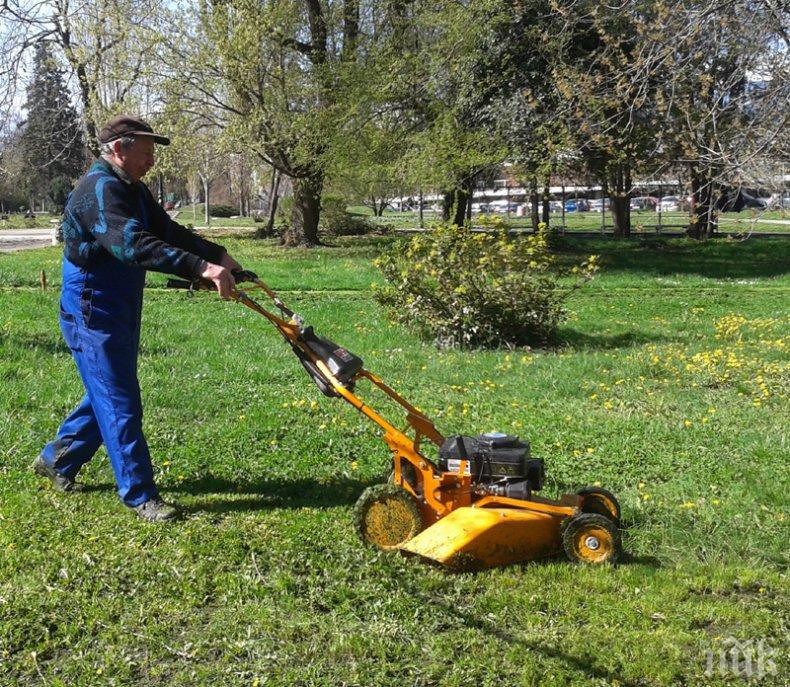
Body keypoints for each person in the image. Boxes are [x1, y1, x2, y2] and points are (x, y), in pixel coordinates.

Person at [32, 115, 242, 522]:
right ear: (120, 148)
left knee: (109, 390)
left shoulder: (132, 189)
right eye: (146, 150)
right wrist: (199, 269)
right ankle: (139, 493)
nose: (151, 159)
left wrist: (216, 255)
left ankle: (56, 459)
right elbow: (133, 245)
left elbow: (166, 230)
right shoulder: (97, 191)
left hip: (119, 301)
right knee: (120, 399)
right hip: (92, 304)